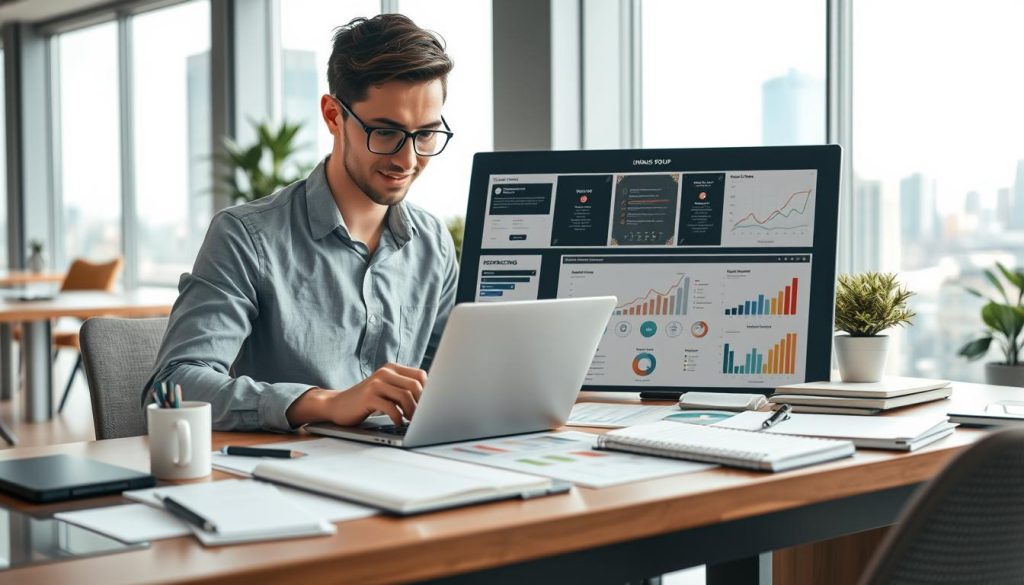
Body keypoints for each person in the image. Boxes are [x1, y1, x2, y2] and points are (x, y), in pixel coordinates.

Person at [147, 14, 458, 432]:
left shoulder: (433, 243)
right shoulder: (246, 237)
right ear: (333, 115)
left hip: (406, 471)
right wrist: (324, 403)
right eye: (385, 133)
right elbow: (172, 387)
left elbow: (451, 380)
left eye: (425, 135)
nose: (408, 160)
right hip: (285, 476)